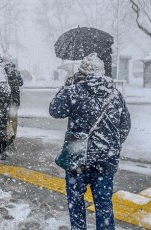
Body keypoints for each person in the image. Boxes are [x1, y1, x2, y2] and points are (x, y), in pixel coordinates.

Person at [49, 53, 131, 230]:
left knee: (76, 203)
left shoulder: (73, 91)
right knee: (103, 204)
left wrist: (67, 86)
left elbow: (54, 110)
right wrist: (110, 146)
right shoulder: (115, 94)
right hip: (106, 159)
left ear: (82, 72)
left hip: (77, 158)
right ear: (102, 72)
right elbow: (125, 126)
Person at [5, 60, 23, 147]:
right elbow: (21, 83)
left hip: (5, 99)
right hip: (15, 99)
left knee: (6, 120)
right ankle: (13, 137)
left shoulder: (3, 71)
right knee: (14, 120)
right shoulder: (16, 71)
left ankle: (9, 135)